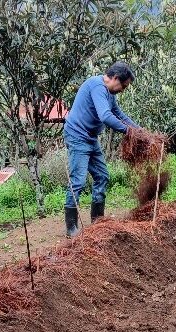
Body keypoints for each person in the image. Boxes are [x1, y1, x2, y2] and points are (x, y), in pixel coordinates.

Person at [63, 61, 140, 237]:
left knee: (102, 176)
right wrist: (128, 131)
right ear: (115, 78)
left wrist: (139, 131)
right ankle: (71, 226)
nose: (123, 90)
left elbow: (119, 114)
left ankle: (97, 221)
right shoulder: (97, 87)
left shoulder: (109, 94)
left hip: (90, 138)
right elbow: (105, 116)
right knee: (78, 180)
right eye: (123, 86)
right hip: (77, 136)